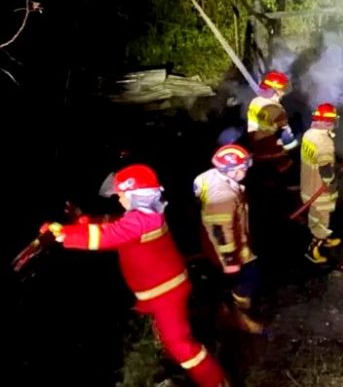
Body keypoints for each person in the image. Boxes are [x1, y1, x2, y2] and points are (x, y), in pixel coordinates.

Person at [39, 164, 229, 387]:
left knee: (181, 346)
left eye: (121, 195)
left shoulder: (142, 221)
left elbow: (107, 236)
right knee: (171, 340)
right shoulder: (144, 217)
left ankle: (215, 381)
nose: (118, 199)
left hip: (166, 294)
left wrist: (63, 234)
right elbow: (113, 225)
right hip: (163, 290)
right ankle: (177, 359)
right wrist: (83, 220)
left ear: (135, 195)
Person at [193, 144, 263, 333]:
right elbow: (221, 231)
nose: (246, 168)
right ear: (230, 171)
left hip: (222, 244)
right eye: (243, 166)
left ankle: (234, 306)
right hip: (229, 251)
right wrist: (230, 261)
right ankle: (240, 310)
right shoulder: (222, 195)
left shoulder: (212, 177)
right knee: (248, 277)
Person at [299, 103, 343, 264]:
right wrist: (338, 173)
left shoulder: (309, 134)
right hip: (319, 192)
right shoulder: (325, 142)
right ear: (329, 122)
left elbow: (318, 160)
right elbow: (326, 172)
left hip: (307, 184)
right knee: (321, 221)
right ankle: (314, 250)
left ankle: (324, 237)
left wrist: (340, 162)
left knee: (316, 218)